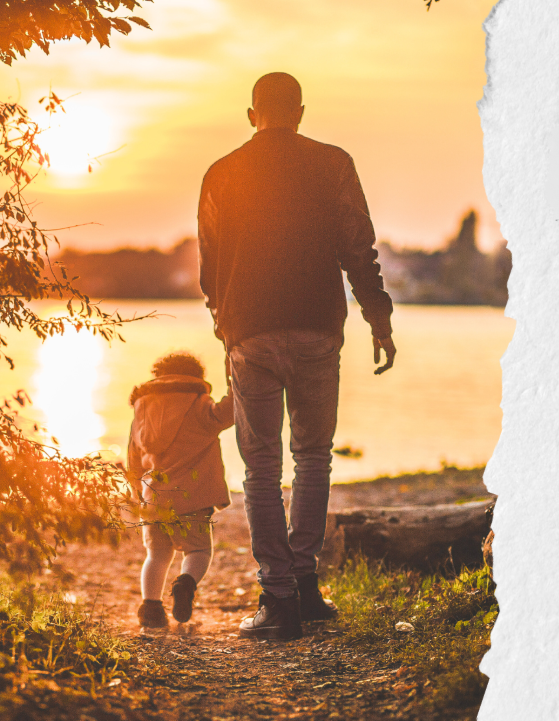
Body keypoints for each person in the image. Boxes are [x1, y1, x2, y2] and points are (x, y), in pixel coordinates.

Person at [199, 71, 396, 641]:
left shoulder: (221, 172)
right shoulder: (333, 163)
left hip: (250, 332)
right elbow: (358, 246)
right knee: (313, 456)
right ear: (301, 112)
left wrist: (224, 324)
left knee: (261, 468)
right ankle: (305, 585)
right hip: (316, 326)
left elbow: (210, 262)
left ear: (251, 114)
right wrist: (378, 317)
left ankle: (279, 598)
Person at [126, 351, 235, 629]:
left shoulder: (142, 409)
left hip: (153, 498)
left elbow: (133, 459)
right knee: (198, 551)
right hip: (192, 497)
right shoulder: (199, 404)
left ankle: (151, 608)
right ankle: (185, 583)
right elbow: (230, 412)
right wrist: (235, 378)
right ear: (195, 376)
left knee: (156, 555)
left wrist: (138, 493)